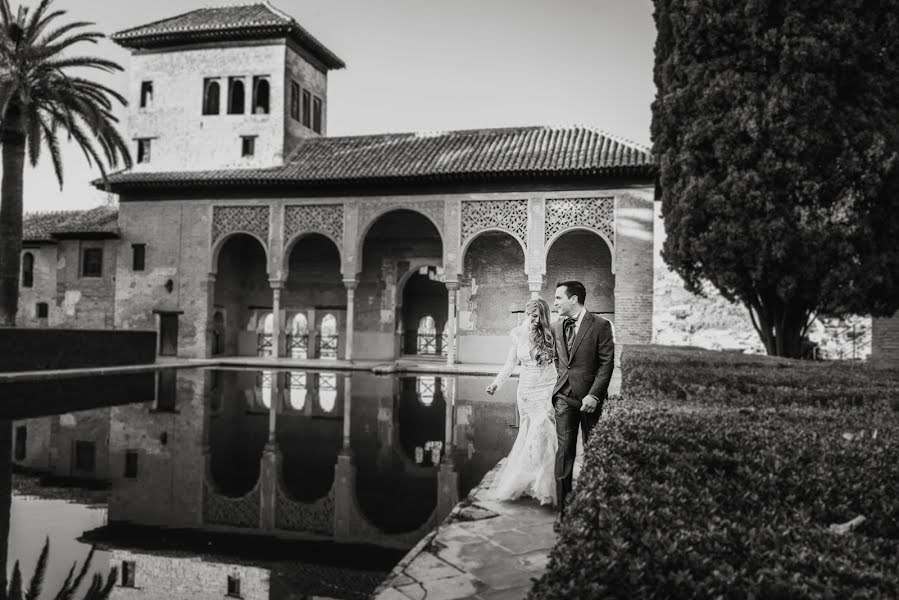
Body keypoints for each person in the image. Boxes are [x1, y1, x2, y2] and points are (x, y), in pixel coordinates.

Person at [485, 298, 558, 506]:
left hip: (545, 390)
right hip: (525, 391)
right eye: (528, 315)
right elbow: (510, 364)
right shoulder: (518, 335)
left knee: (543, 430)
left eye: (535, 316)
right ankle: (528, 477)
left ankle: (544, 481)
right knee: (528, 434)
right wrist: (496, 384)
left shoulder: (551, 333)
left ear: (542, 316)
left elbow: (557, 366)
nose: (531, 319)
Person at [552, 280, 614, 512]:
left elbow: (606, 364)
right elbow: (561, 363)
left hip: (589, 400)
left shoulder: (600, 325)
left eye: (559, 298)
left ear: (573, 299)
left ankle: (590, 505)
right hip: (563, 398)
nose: (555, 302)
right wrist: (560, 387)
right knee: (564, 451)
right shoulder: (557, 326)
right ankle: (564, 511)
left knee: (591, 451)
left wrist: (595, 395)